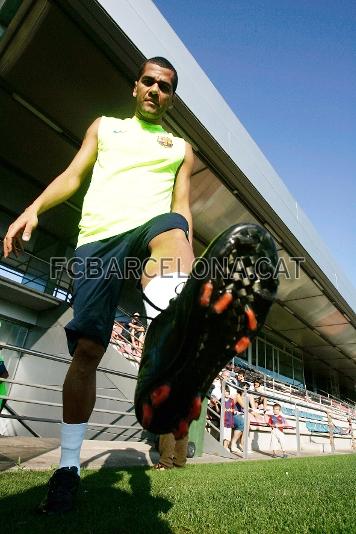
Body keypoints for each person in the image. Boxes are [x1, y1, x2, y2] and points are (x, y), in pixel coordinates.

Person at [3, 56, 279, 514]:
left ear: (171, 97)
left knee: (171, 231)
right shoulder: (105, 128)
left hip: (152, 226)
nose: (155, 89)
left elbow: (181, 208)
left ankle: (176, 324)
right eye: (149, 81)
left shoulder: (180, 148)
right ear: (136, 87)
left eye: (165, 86)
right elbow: (73, 175)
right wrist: (34, 208)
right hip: (97, 240)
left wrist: (184, 240)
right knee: (87, 351)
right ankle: (68, 467)